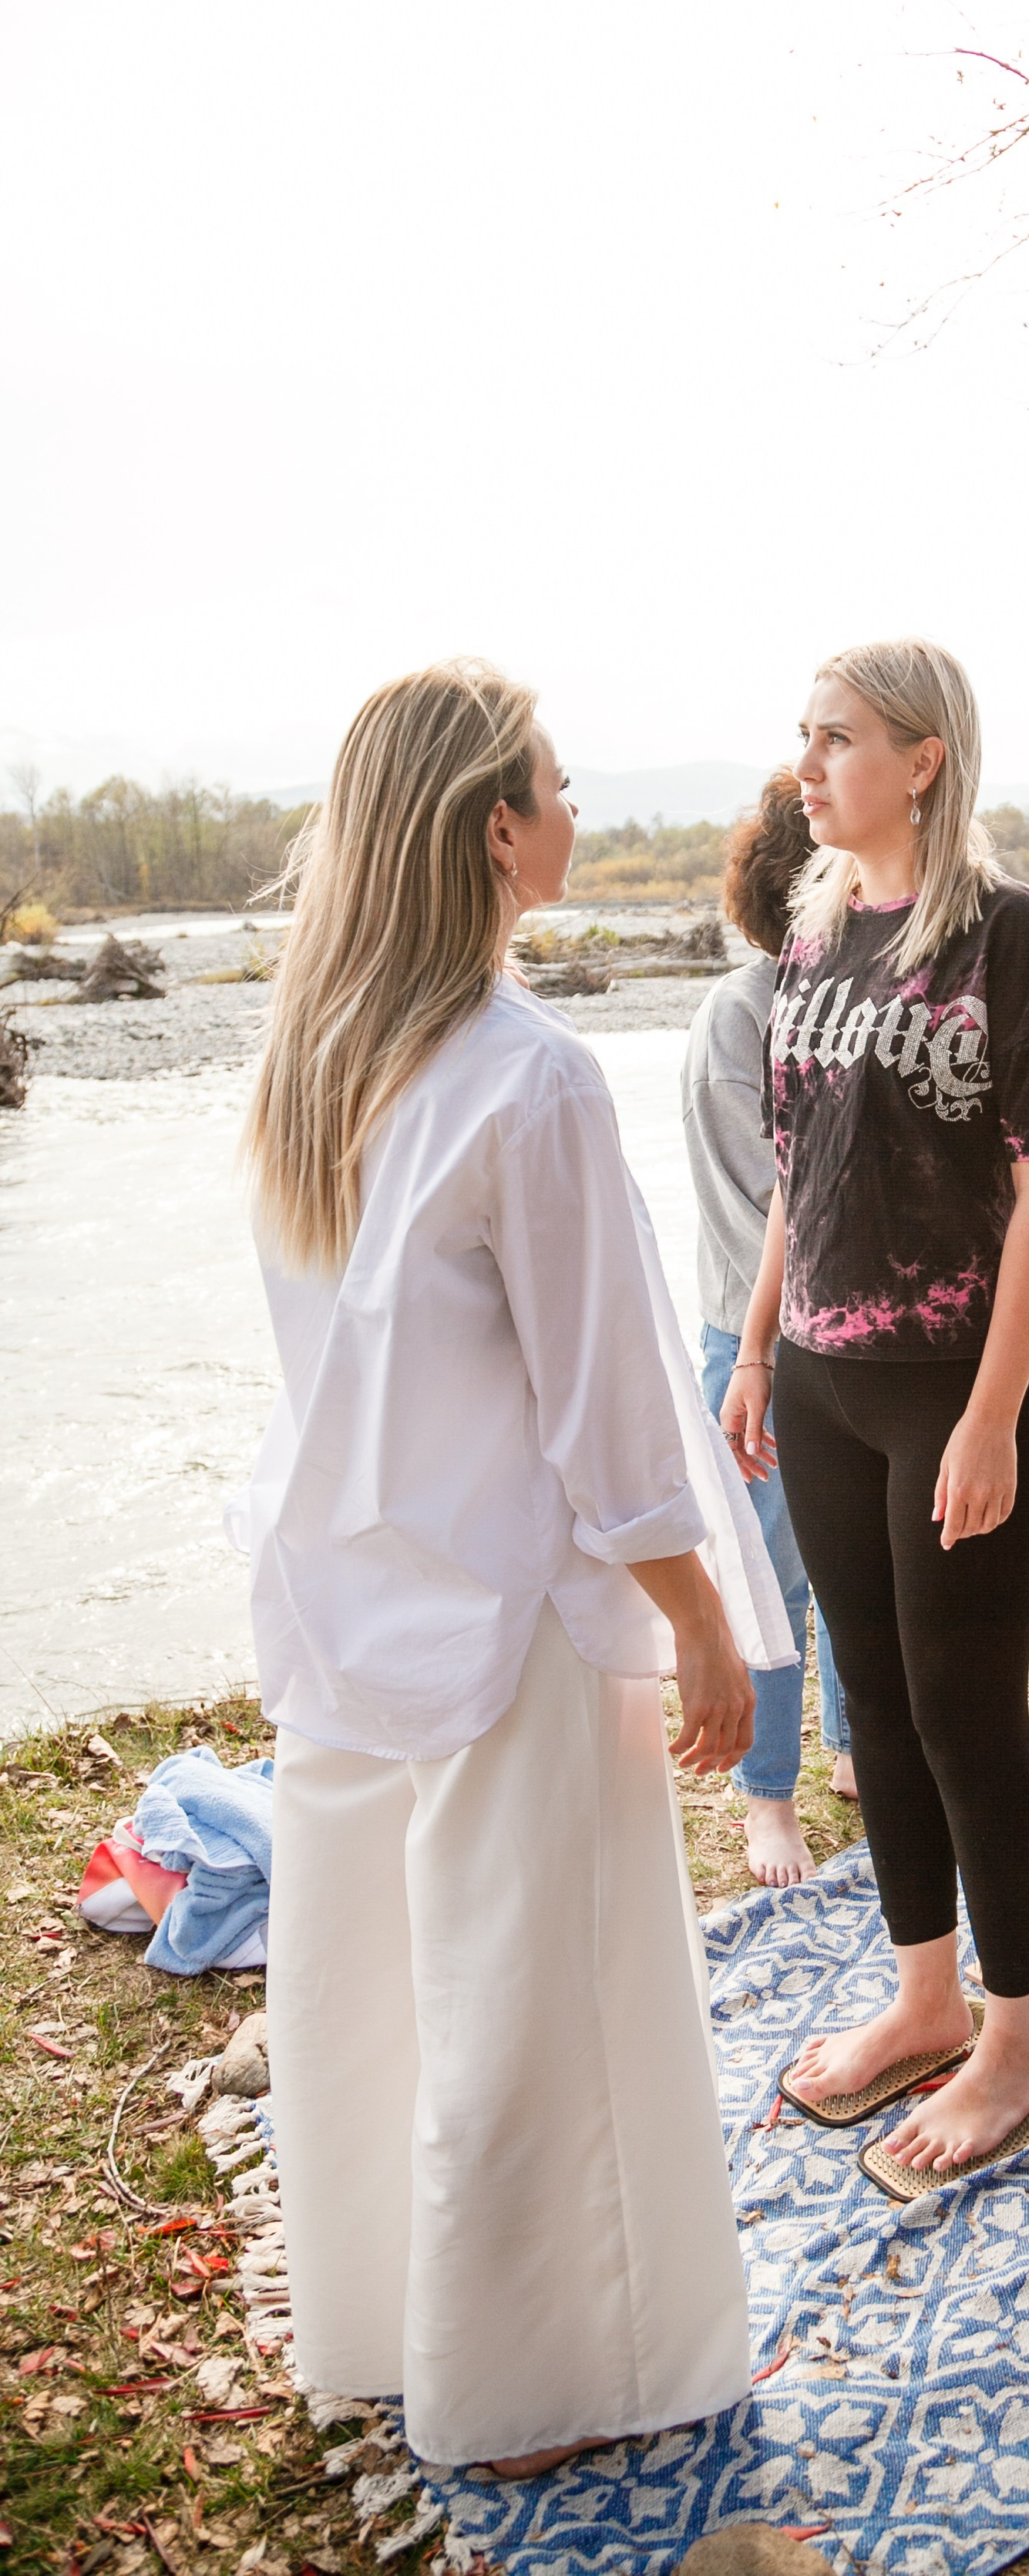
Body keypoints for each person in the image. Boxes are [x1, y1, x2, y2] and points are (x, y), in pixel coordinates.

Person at [238, 660, 791, 2479]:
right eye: (554, 783)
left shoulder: (311, 1054)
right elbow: (608, 1411)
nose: (575, 809)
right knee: (535, 2000)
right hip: (508, 1610)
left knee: (366, 1988)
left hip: (344, 1585)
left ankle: (387, 2331)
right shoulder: (524, 1079)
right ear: (493, 828)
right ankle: (538, 2385)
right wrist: (702, 1626)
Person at [720, 639, 1029, 2177]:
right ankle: (926, 2001)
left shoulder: (1009, 936)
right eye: (805, 739)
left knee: (963, 1721)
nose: (809, 768)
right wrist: (753, 1357)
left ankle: (1018, 2045)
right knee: (872, 1717)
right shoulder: (815, 935)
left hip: (957, 1386)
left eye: (839, 740)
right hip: (819, 1383)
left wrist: (994, 1414)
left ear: (924, 756)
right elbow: (790, 1183)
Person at [684, 769, 854, 1887]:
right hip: (763, 1343)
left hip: (863, 1331)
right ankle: (769, 1798)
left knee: (864, 1566)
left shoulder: (871, 989)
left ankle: (858, 1749)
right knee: (773, 1574)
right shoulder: (740, 1014)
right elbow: (772, 1203)